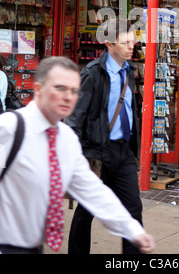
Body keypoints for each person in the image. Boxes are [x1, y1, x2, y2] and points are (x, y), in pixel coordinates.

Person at [0, 56, 154, 255]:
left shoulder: (66, 140)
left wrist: (133, 230)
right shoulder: (10, 128)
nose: (68, 97)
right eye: (60, 88)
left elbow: (91, 190)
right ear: (39, 89)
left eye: (74, 91)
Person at [67, 18, 143, 255]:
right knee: (86, 212)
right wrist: (75, 157)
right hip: (97, 153)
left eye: (133, 41)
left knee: (133, 210)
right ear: (109, 45)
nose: (131, 46)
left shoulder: (128, 71)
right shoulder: (93, 73)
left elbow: (129, 110)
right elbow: (75, 116)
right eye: (125, 42)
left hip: (123, 153)